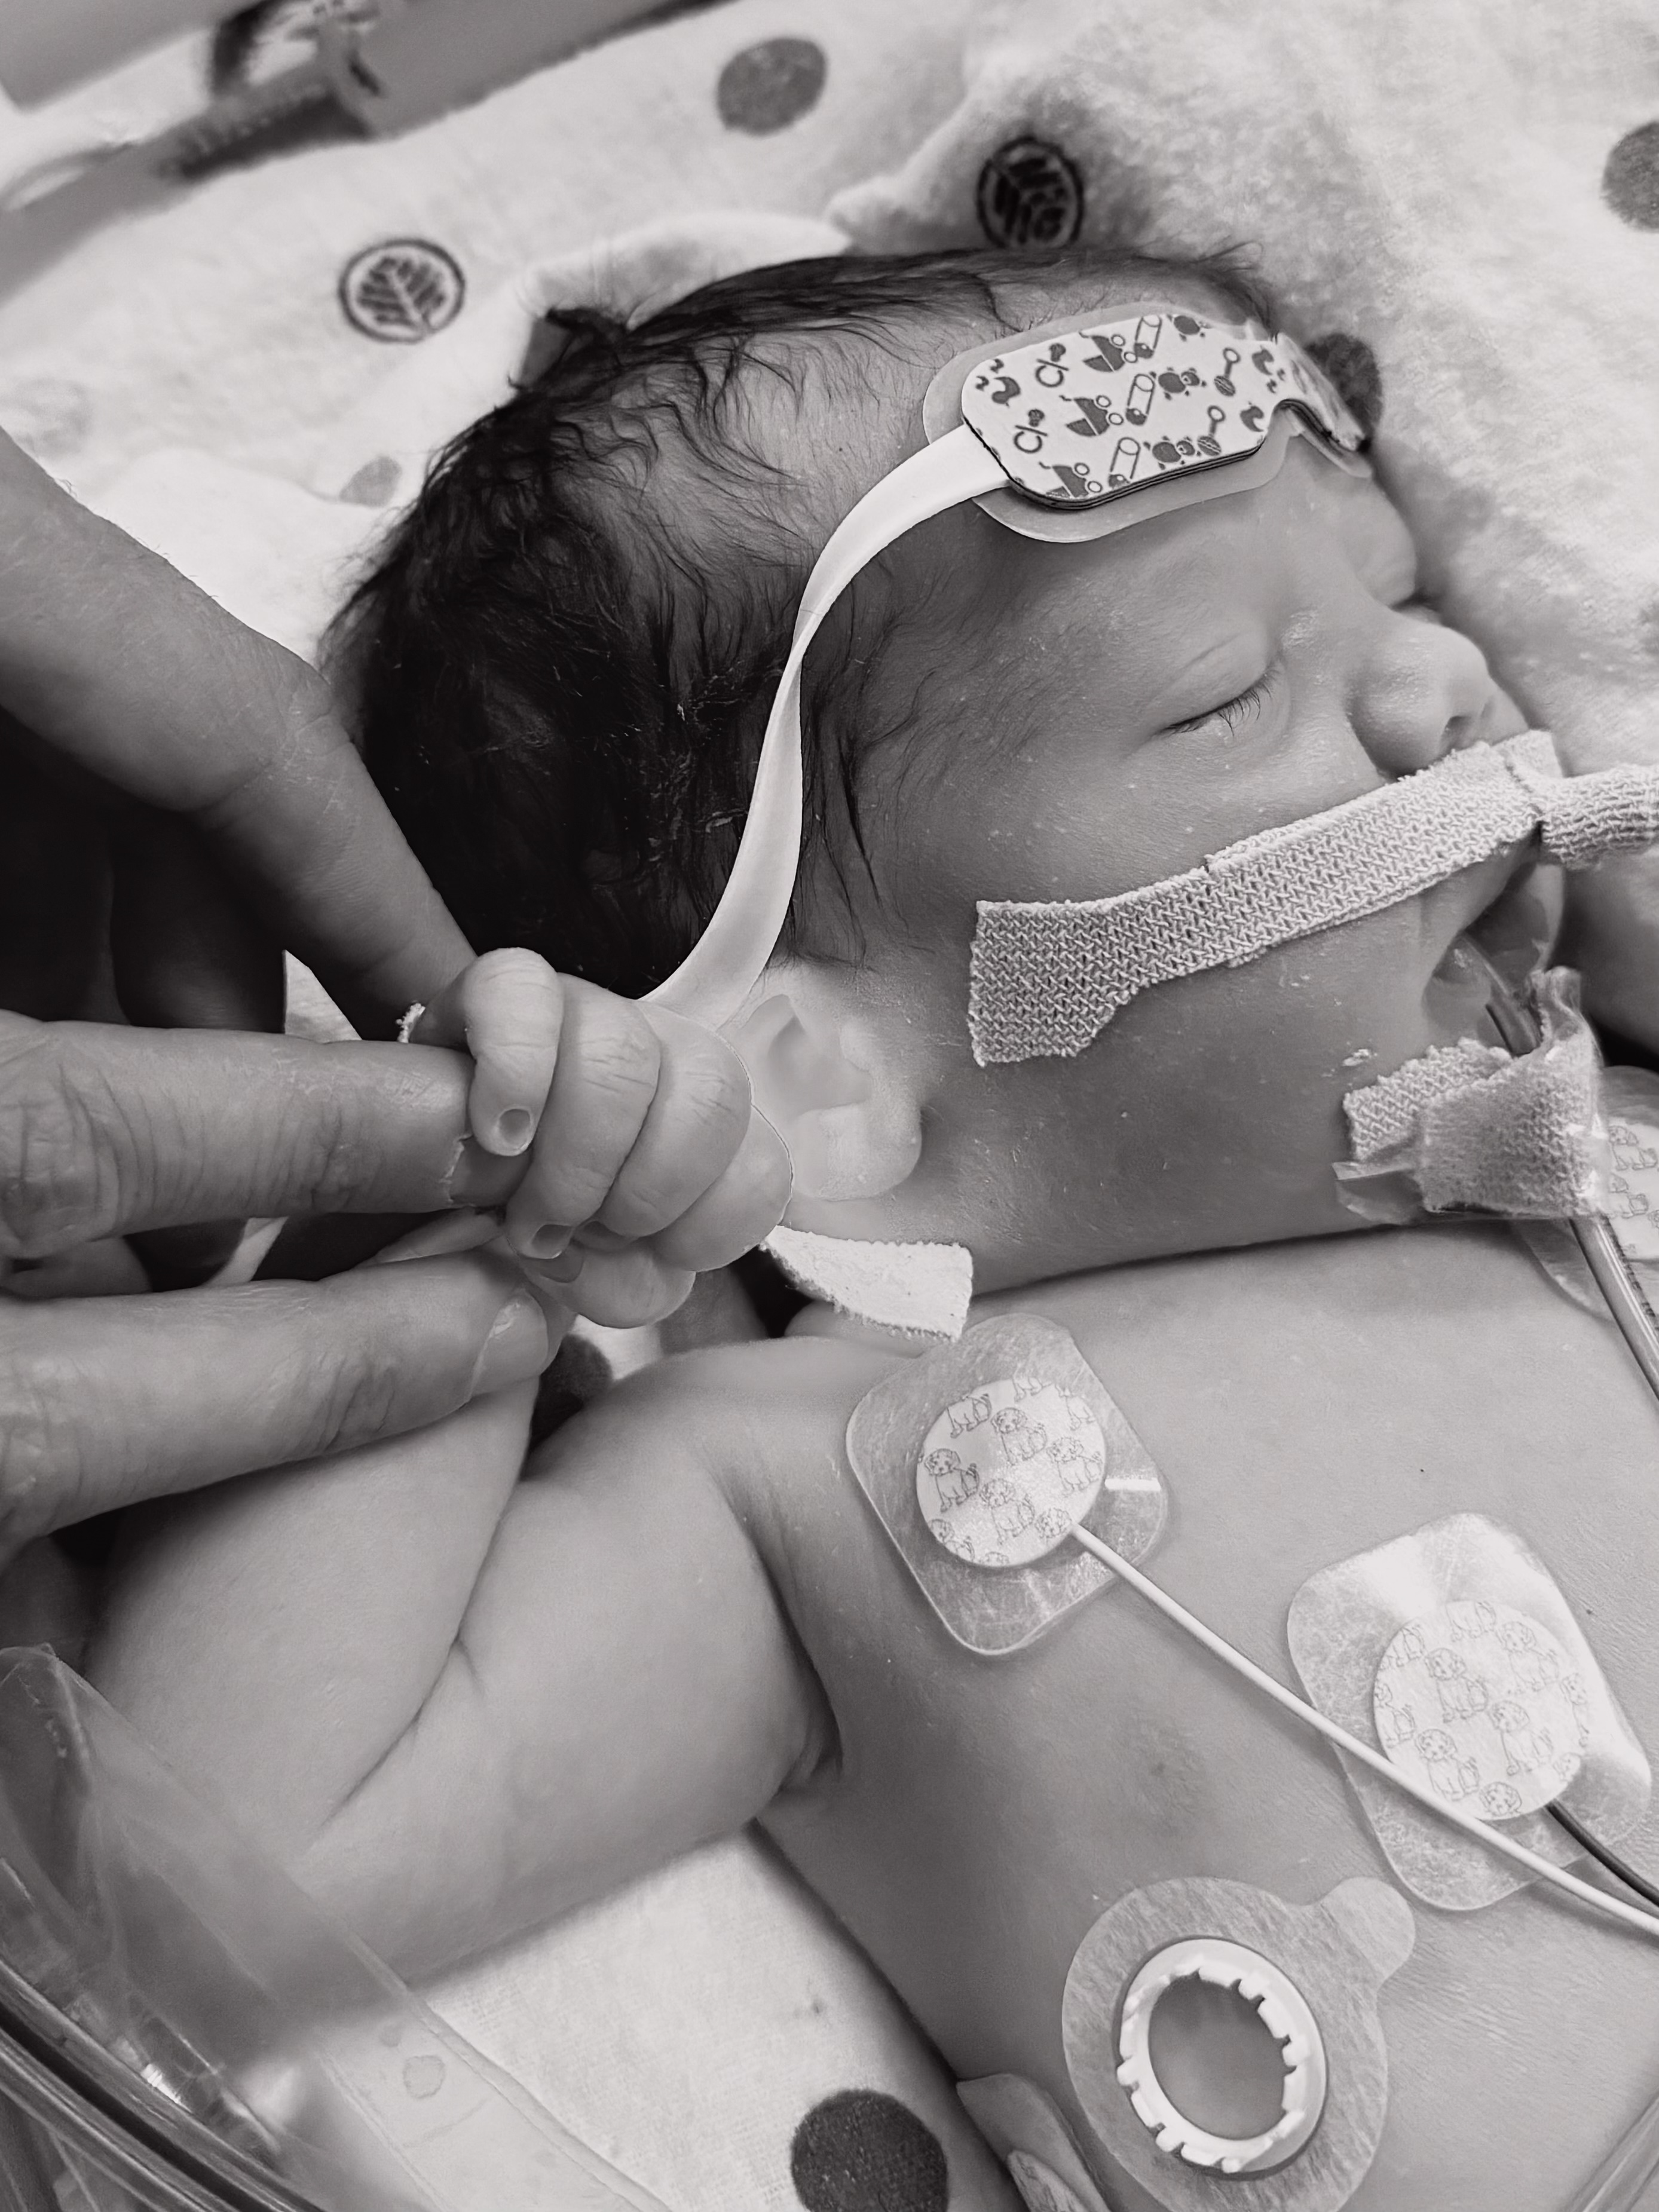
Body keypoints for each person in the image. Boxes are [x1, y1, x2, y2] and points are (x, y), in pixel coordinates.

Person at [87, 248, 1659, 2209]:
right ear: (821, 1082)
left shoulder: (1605, 1143)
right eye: (1229, 690)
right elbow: (203, 1878)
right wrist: (510, 1206)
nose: (1451, 688)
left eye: (1399, 592)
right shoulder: (808, 1490)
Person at [0, 427, 788, 1566]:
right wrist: (465, 1234)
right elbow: (244, 1722)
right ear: (829, 1065)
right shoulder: (777, 1448)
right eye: (1158, 716)